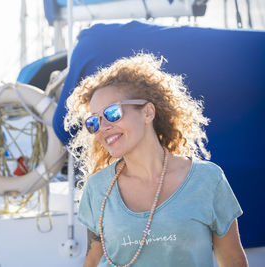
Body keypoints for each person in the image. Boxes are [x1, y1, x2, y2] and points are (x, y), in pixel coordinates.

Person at [64, 53, 248, 267]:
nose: (103, 127)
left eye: (112, 113)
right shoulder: (97, 189)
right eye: (94, 122)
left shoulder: (208, 180)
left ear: (148, 113)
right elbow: (93, 261)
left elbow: (233, 261)